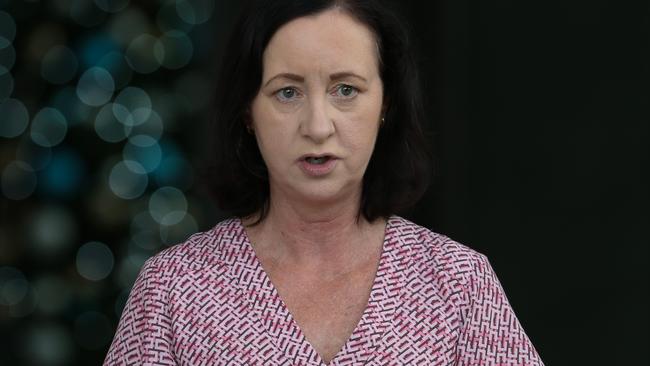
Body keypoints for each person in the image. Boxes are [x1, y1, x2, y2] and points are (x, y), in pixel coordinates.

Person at [104, 0, 545, 365]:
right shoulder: (173, 289)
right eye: (287, 92)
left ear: (386, 104)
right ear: (247, 112)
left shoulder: (457, 284)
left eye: (346, 90)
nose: (318, 125)